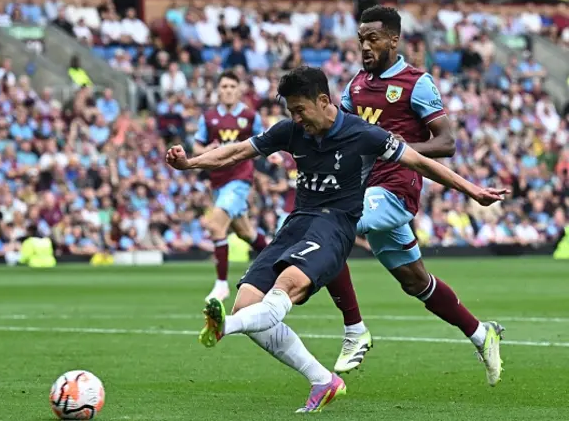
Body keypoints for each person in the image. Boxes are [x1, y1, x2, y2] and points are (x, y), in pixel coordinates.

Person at [166, 66, 507, 412]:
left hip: (336, 225)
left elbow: (421, 163)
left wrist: (473, 190)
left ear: (324, 101)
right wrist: (191, 163)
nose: (296, 119)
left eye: (300, 110)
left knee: (287, 285)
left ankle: (230, 327)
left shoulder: (363, 134)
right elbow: (238, 151)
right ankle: (322, 380)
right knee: (246, 303)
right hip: (296, 223)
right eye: (291, 112)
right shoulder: (291, 131)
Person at [333, 5, 505, 386]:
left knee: (331, 226)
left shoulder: (416, 82)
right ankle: (482, 334)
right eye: (361, 39)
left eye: (373, 38)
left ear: (394, 40)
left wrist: (395, 148)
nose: (365, 46)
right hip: (364, 188)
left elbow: (445, 141)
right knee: (415, 281)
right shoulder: (355, 85)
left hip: (396, 190)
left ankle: (354, 330)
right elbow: (340, 133)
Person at [193, 71, 269, 302]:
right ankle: (277, 261)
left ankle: (221, 284)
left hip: (240, 179)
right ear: (218, 90)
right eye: (223, 86)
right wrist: (208, 150)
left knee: (216, 225)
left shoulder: (249, 116)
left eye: (231, 86)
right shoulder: (208, 118)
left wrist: (272, 156)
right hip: (218, 182)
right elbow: (196, 147)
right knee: (246, 233)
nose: (227, 90)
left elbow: (265, 141)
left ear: (238, 90)